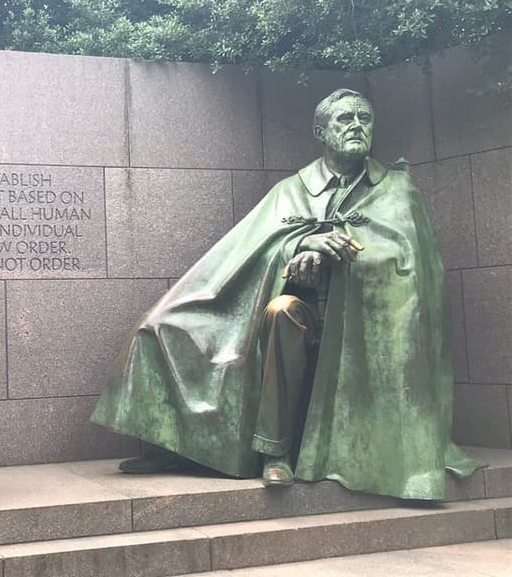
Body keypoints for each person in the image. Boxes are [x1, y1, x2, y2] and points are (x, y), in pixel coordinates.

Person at [91, 88, 483, 500]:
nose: (355, 126)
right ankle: (251, 451)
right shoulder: (291, 191)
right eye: (344, 119)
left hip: (363, 327)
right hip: (303, 314)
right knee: (200, 321)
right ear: (321, 131)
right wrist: (297, 250)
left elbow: (415, 271)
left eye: (364, 118)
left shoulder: (398, 191)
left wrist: (343, 255)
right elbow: (246, 254)